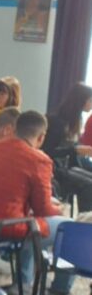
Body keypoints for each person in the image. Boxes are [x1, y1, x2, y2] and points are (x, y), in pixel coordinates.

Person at [0, 111, 76, 295]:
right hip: (3, 228)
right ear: (41, 137)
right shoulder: (39, 159)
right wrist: (60, 209)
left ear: (15, 129)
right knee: (68, 228)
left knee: (33, 227)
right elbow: (44, 209)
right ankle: (60, 292)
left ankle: (23, 286)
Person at [41, 82, 92, 212]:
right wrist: (74, 149)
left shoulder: (75, 121)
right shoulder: (57, 122)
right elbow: (47, 151)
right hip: (54, 169)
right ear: (81, 101)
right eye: (90, 100)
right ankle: (84, 221)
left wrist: (77, 153)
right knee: (88, 185)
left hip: (65, 166)